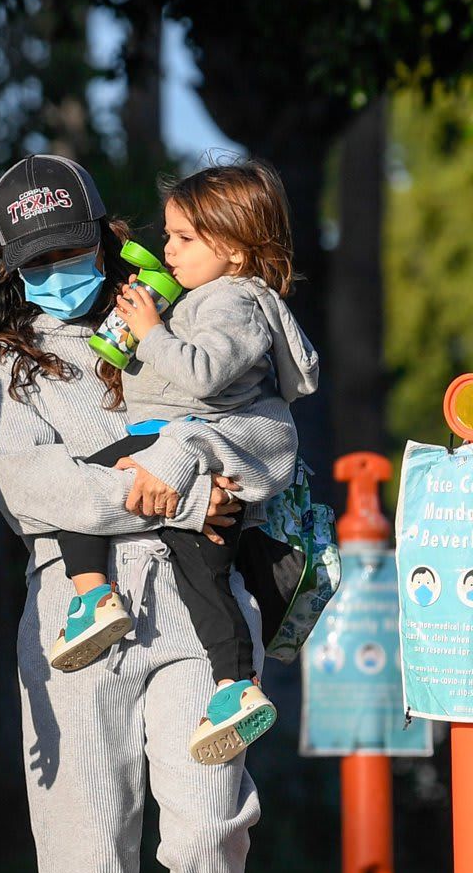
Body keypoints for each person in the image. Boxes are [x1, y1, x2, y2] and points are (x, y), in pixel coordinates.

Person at [0, 153, 299, 873]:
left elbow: (269, 431)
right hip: (75, 610)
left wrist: (189, 476)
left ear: (106, 232)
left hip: (196, 603)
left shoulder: (186, 315)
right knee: (84, 843)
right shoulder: (1, 364)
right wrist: (167, 482)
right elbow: (27, 488)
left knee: (211, 821)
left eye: (70, 248)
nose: (55, 269)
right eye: (33, 259)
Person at [47, 160, 319, 766]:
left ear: (237, 251)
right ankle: (220, 679)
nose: (167, 250)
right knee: (190, 565)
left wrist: (148, 332)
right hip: (173, 444)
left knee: (98, 500)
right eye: (168, 236)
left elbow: (202, 372)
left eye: (183, 239)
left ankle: (105, 607)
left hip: (185, 447)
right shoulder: (209, 295)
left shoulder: (233, 303)